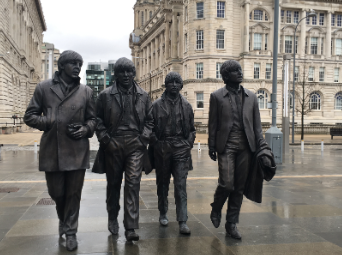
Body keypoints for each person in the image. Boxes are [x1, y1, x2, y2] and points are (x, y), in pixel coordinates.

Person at [24, 50, 96, 251]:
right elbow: (29, 116)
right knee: (57, 193)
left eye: (79, 64)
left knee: (73, 194)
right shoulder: (44, 88)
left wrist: (85, 129)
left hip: (77, 150)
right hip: (52, 150)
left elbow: (93, 119)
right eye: (72, 63)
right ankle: (64, 220)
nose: (77, 67)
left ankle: (70, 231)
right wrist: (47, 121)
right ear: (61, 66)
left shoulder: (86, 91)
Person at [208, 60, 272, 239]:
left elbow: (257, 127)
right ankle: (216, 207)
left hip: (247, 147)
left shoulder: (251, 97)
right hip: (226, 145)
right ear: (226, 76)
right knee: (227, 183)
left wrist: (262, 148)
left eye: (240, 70)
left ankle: (231, 223)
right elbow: (213, 124)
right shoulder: (217, 96)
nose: (240, 72)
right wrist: (211, 145)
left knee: (239, 187)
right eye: (235, 71)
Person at [92, 57, 153, 241]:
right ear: (116, 74)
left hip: (136, 144)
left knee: (133, 184)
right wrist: (106, 140)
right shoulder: (105, 95)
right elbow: (97, 120)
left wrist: (144, 139)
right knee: (114, 185)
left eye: (129, 71)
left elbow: (150, 120)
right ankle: (112, 216)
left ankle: (131, 227)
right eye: (122, 72)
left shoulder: (143, 95)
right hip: (114, 144)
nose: (126, 75)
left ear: (134, 73)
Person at [148, 72, 196, 234]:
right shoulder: (156, 105)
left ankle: (182, 220)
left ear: (181, 85)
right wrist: (156, 143)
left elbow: (191, 130)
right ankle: (163, 212)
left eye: (177, 82)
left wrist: (188, 144)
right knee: (162, 183)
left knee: (180, 185)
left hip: (181, 148)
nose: (174, 85)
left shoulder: (187, 106)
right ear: (166, 85)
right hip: (162, 147)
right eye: (171, 82)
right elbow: (150, 128)